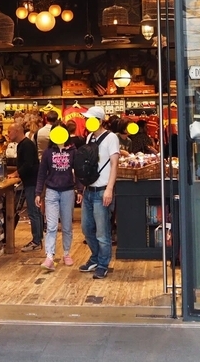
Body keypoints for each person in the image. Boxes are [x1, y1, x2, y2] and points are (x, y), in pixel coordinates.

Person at [78, 106, 120, 279]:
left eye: (90, 118)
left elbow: (114, 164)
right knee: (87, 228)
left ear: (99, 120)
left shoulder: (111, 138)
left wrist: (109, 189)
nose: (87, 121)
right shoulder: (90, 137)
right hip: (89, 190)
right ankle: (95, 257)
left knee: (102, 232)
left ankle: (103, 263)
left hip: (102, 190)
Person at [35, 123, 81, 270]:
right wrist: (38, 192)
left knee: (67, 225)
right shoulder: (48, 153)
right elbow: (42, 173)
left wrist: (79, 190)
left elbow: (78, 171)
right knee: (51, 226)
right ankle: (49, 256)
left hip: (68, 191)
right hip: (51, 191)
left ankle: (66, 253)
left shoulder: (73, 151)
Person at [7, 121, 43, 252]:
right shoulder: (23, 144)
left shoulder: (26, 145)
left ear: (17, 131)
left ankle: (36, 241)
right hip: (30, 182)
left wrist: (16, 173)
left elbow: (28, 164)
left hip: (32, 182)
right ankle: (38, 239)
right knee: (34, 212)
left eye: (9, 131)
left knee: (33, 211)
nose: (8, 134)